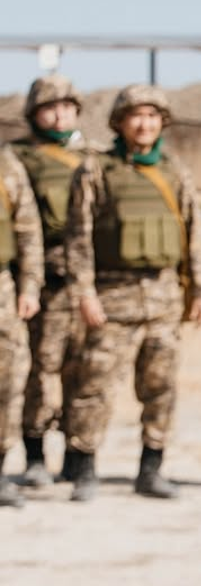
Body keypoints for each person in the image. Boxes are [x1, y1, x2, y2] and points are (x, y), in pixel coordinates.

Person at [63, 84, 201, 502]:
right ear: (120, 123)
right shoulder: (95, 170)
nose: (144, 125)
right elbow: (78, 237)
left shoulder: (175, 170)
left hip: (164, 297)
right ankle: (84, 469)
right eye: (136, 116)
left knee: (161, 387)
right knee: (94, 386)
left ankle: (151, 469)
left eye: (152, 116)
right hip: (112, 296)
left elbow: (194, 233)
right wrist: (84, 293)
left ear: (162, 122)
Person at [10, 75, 91, 487]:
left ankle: (77, 456)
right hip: (44, 281)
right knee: (40, 371)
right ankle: (35, 454)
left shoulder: (94, 158)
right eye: (50, 108)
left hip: (88, 283)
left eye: (67, 107)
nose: (60, 115)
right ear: (34, 113)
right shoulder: (18, 159)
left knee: (84, 370)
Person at [0, 144, 43, 508]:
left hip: (2, 290)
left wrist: (29, 286)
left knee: (8, 382)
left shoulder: (6, 166)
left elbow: (28, 231)